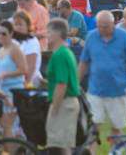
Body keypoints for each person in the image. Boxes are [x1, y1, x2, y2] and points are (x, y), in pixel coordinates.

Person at [79, 10, 126, 139]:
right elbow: (84, 62)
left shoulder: (124, 37)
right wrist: (75, 83)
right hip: (95, 90)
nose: (102, 29)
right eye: (99, 26)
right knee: (93, 129)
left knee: (116, 129)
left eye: (105, 26)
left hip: (118, 90)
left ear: (113, 23)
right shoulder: (91, 37)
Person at [45, 18, 81, 155]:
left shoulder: (60, 54)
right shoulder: (66, 52)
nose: (46, 35)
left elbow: (62, 84)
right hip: (67, 102)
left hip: (64, 103)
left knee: (61, 145)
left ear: (57, 34)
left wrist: (54, 107)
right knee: (62, 144)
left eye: (48, 32)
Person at [0, 20, 27, 138]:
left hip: (14, 91)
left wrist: (5, 75)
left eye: (4, 33)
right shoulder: (0, 50)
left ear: (11, 34)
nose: (0, 36)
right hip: (2, 92)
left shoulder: (15, 49)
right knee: (5, 129)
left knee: (10, 127)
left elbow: (23, 69)